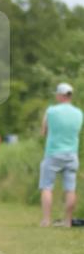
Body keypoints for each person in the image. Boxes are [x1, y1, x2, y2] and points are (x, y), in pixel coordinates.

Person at [39, 82, 83, 227]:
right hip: (72, 154)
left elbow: (43, 132)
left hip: (53, 153)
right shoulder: (79, 113)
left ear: (60, 95)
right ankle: (67, 221)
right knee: (70, 188)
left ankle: (46, 220)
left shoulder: (51, 111)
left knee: (47, 187)